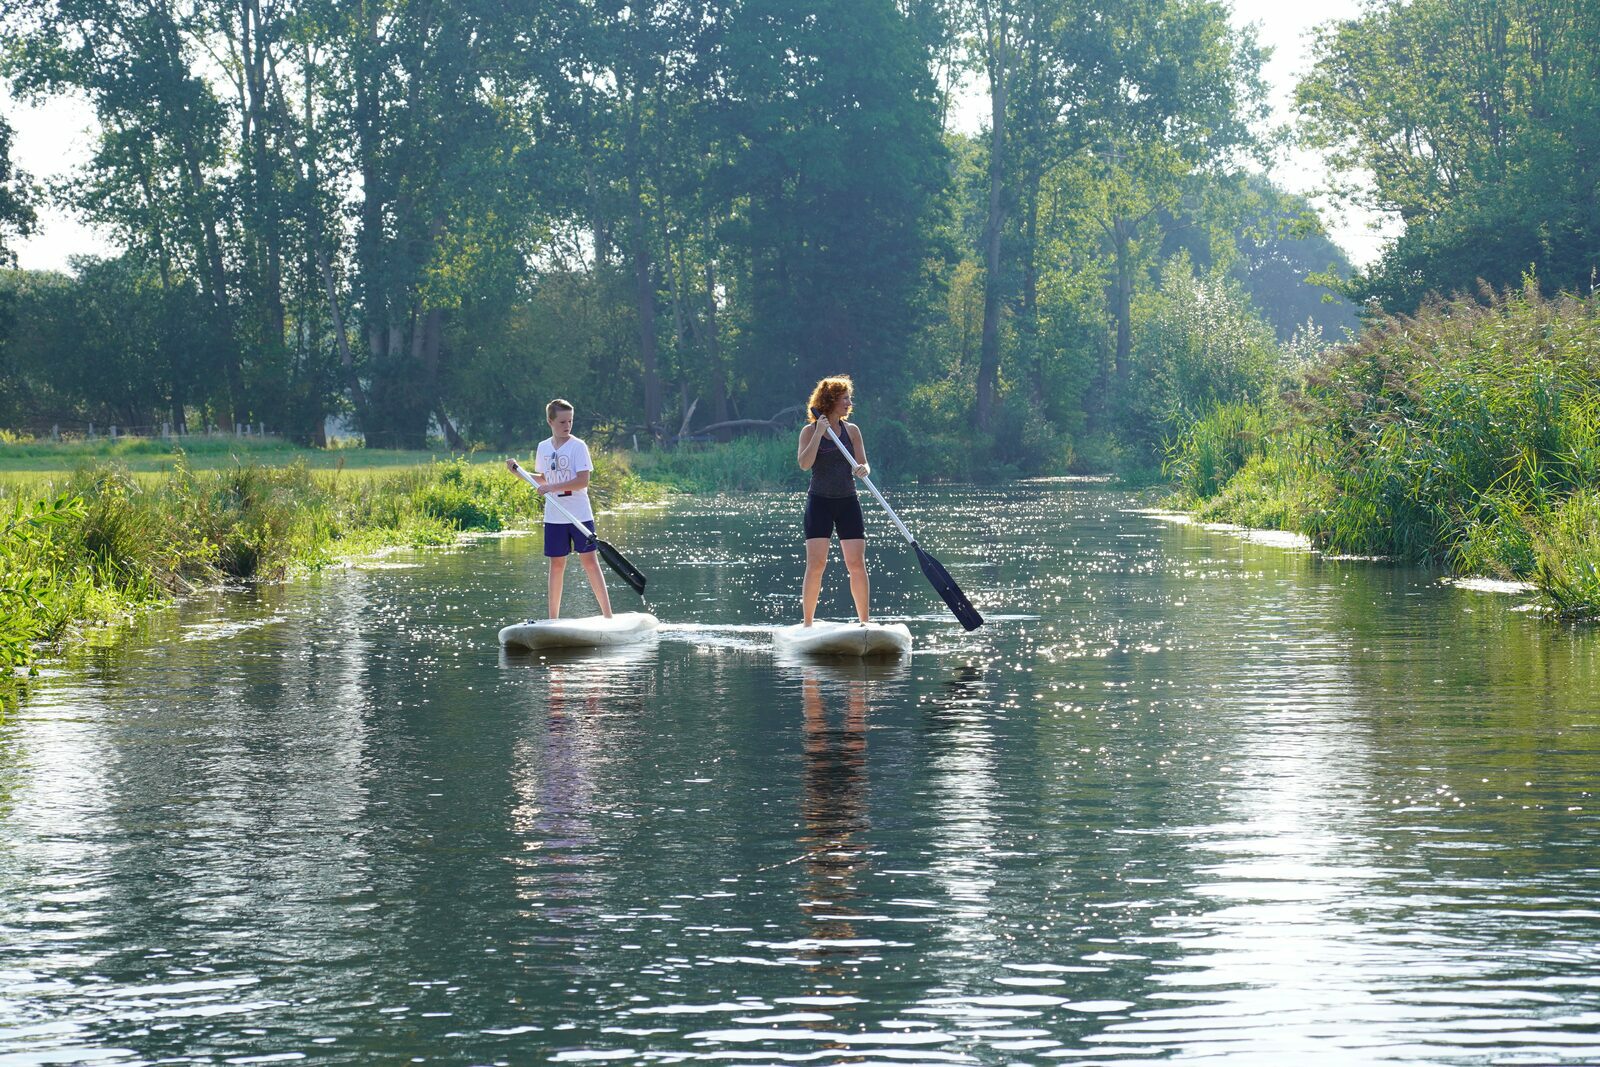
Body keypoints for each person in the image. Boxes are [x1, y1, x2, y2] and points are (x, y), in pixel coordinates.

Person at [506, 398, 613, 620]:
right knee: (556, 564)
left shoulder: (578, 446)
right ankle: (553, 619)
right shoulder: (543, 447)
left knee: (589, 562)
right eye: (563, 421)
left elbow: (583, 481)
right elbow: (543, 478)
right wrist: (519, 473)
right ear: (550, 421)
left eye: (570, 421)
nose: (567, 425)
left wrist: (552, 486)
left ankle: (608, 616)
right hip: (554, 515)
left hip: (579, 514)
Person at [796, 375, 871, 626]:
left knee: (856, 563)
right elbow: (805, 464)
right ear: (831, 401)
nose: (850, 403)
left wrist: (863, 469)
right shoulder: (809, 431)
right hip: (820, 503)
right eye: (845, 399)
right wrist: (818, 432)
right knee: (816, 564)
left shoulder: (852, 431)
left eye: (849, 398)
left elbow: (863, 463)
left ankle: (864, 623)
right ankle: (808, 623)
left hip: (848, 501)